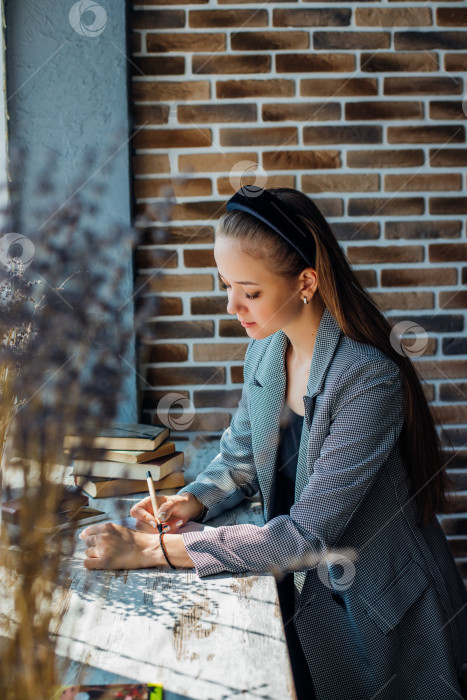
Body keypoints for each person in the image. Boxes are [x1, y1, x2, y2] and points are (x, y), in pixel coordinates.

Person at [81, 186, 467, 700]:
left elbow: (305, 534)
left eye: (251, 291)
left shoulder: (368, 381)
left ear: (305, 282)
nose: (231, 306)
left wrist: (154, 549)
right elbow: (241, 456)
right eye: (225, 285)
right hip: (291, 594)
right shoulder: (266, 353)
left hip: (378, 612)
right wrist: (192, 499)